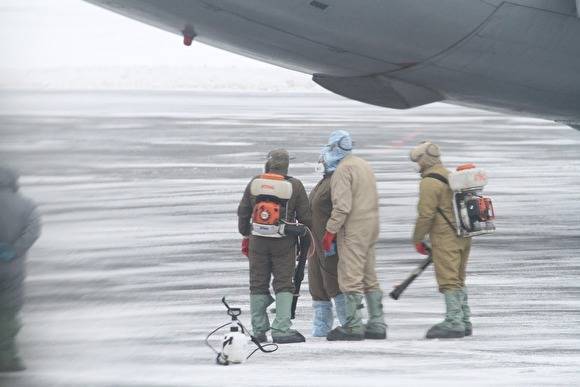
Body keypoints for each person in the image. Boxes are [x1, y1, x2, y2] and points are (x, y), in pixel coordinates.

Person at [237, 149, 311, 344]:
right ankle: (281, 329)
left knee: (257, 283)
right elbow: (306, 217)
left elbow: (243, 211)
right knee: (284, 283)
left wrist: (246, 234)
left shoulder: (255, 183)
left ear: (268, 164)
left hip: (257, 241)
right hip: (284, 242)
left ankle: (259, 329)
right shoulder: (294, 185)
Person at [321, 130, 386, 341]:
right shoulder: (363, 164)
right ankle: (377, 322)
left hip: (353, 229)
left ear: (335, 148)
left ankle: (353, 324)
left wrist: (330, 231)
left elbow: (342, 207)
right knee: (369, 275)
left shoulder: (343, 170)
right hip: (371, 227)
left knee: (350, 276)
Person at [410, 141, 472, 339]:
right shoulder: (450, 176)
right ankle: (464, 319)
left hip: (445, 238)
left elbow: (426, 215)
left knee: (448, 279)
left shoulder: (429, 182)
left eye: (418, 160)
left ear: (425, 160)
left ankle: (454, 321)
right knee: (459, 278)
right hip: (463, 235)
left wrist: (417, 238)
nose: (417, 165)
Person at [0, 167, 42, 372]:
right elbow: (33, 231)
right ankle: (7, 356)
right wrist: (14, 250)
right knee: (9, 311)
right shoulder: (26, 205)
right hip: (12, 268)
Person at [307, 158, 347, 337]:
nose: (320, 161)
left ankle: (348, 321)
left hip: (329, 242)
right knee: (317, 283)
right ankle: (321, 325)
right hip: (314, 244)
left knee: (333, 281)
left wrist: (331, 234)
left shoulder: (336, 183)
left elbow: (341, 210)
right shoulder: (323, 182)